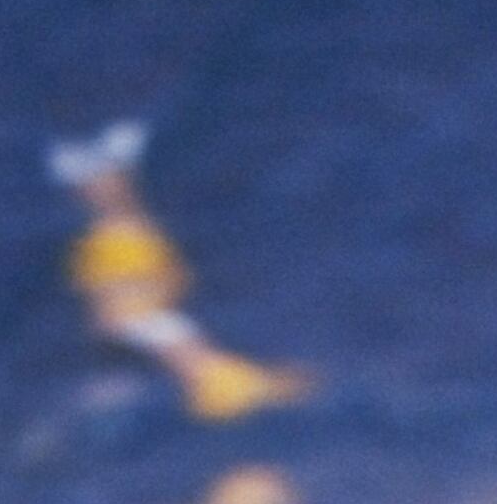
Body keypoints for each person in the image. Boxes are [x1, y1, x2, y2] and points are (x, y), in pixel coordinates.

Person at [46, 121, 308, 422]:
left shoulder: (134, 229)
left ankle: (237, 385)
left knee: (178, 335)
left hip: (152, 313)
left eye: (115, 178)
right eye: (102, 182)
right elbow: (105, 313)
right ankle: (229, 389)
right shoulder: (103, 244)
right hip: (138, 325)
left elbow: (167, 280)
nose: (113, 187)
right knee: (171, 335)